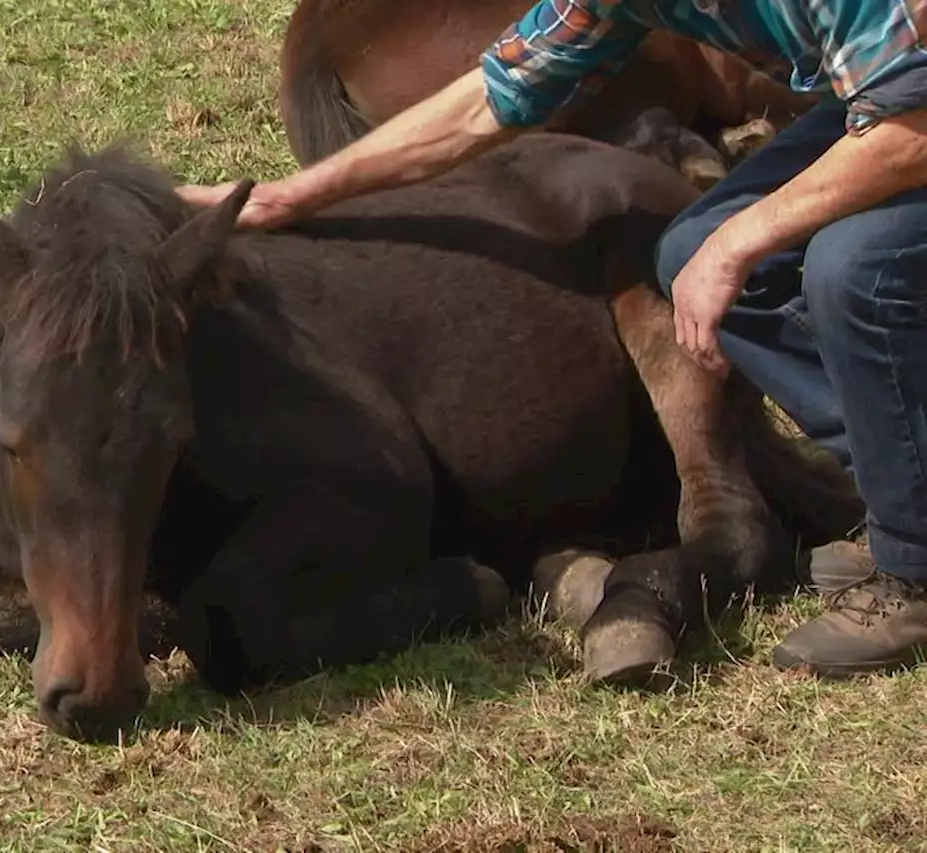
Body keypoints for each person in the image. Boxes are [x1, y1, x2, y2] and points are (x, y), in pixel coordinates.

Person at [177, 0, 927, 678]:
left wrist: (742, 241)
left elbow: (912, 134)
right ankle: (905, 494)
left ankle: (913, 573)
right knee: (687, 245)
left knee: (843, 266)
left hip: (910, 119)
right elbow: (487, 102)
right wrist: (287, 195)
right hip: (888, 101)